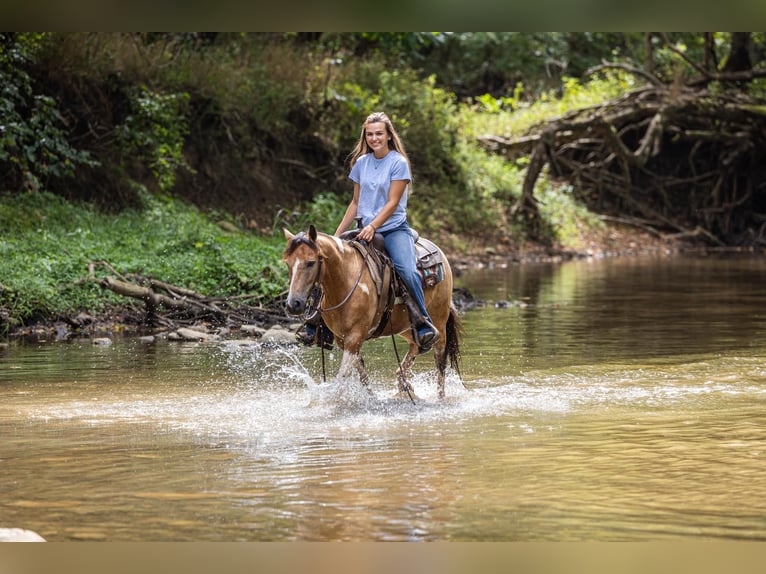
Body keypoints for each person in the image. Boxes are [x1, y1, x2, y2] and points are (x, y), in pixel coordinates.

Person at [333, 111, 439, 351]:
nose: (374, 138)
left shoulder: (398, 163)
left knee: (406, 270)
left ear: (389, 135)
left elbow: (392, 203)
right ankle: (316, 323)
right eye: (369, 134)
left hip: (392, 229)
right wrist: (337, 235)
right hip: (363, 230)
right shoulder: (361, 163)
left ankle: (423, 323)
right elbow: (355, 202)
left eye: (379, 133)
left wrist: (373, 226)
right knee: (328, 261)